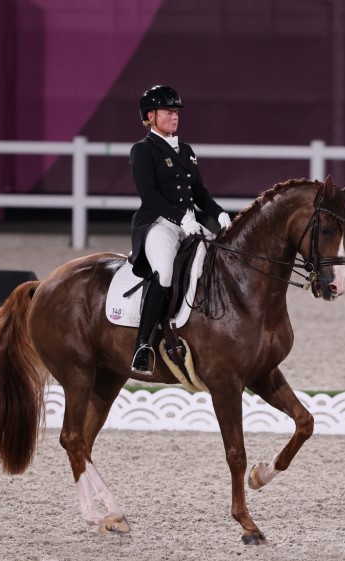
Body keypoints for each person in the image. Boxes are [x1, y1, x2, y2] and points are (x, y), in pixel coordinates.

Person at [128, 85, 232, 374]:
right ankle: (142, 345)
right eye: (167, 112)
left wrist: (219, 214)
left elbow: (200, 193)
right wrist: (179, 218)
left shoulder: (185, 150)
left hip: (189, 223)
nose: (174, 117)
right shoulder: (143, 150)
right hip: (158, 224)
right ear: (150, 116)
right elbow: (148, 194)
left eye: (176, 112)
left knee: (220, 260)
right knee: (164, 273)